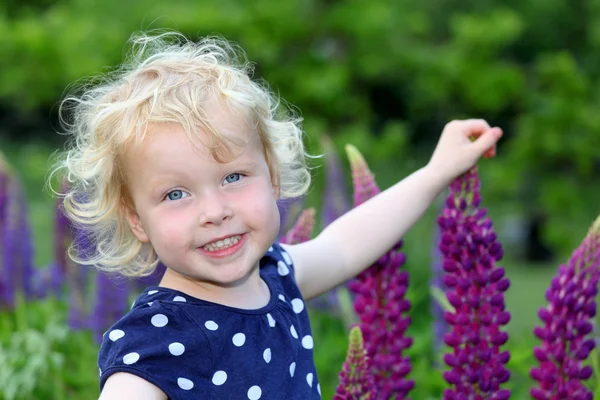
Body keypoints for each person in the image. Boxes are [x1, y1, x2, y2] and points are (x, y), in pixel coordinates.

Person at [51, 31, 502, 400]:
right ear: (135, 219)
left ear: (273, 177)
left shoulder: (276, 277)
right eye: (175, 193)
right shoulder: (152, 340)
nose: (215, 211)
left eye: (233, 178)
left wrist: (435, 172)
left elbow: (347, 243)